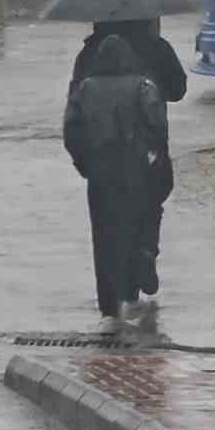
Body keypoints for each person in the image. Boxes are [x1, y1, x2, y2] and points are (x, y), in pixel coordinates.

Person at [68, 19, 187, 297]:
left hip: (99, 162)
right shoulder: (155, 47)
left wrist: (83, 161)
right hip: (146, 154)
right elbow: (178, 90)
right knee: (148, 208)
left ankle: (110, 300)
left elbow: (73, 117)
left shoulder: (90, 52)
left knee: (104, 229)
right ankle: (144, 252)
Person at [63, 35, 168, 332]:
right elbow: (157, 125)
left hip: (99, 173)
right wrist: (152, 157)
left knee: (104, 237)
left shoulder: (85, 89)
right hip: (135, 171)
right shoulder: (142, 86)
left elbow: (71, 131)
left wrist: (84, 163)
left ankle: (108, 306)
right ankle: (130, 290)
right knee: (133, 230)